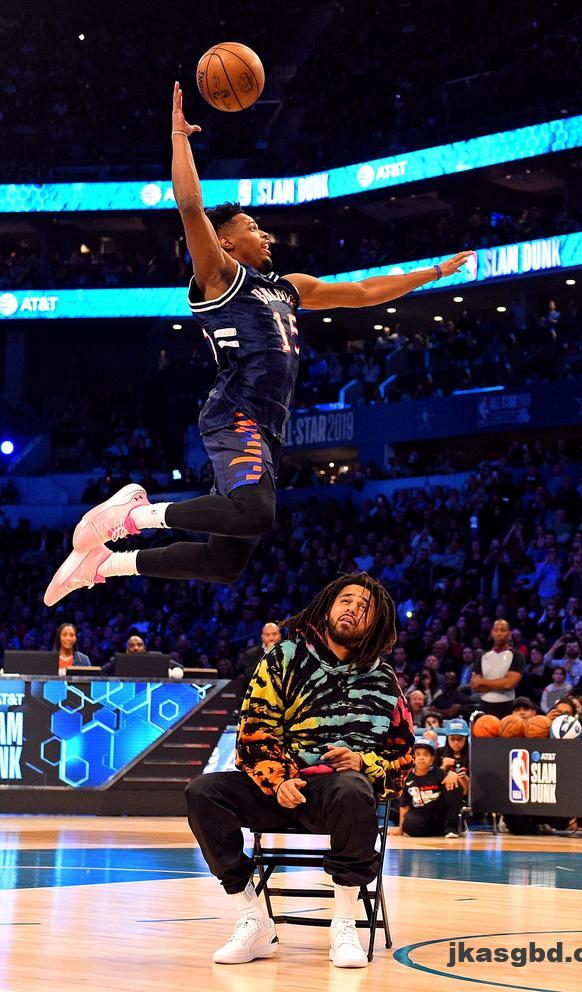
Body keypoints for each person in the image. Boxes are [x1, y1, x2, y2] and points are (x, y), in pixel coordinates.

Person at [43, 83, 473, 608]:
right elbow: (190, 206)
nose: (264, 234)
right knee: (257, 512)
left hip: (267, 426)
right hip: (236, 412)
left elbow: (363, 292)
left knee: (224, 563)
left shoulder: (289, 287)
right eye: (252, 227)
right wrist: (179, 138)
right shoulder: (221, 275)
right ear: (225, 240)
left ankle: (104, 564)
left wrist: (434, 272)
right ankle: (130, 517)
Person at [185, 573, 414, 968]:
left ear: (375, 624)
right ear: (327, 607)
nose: (352, 609)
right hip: (280, 789)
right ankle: (253, 918)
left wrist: (364, 762)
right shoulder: (283, 658)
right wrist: (279, 780)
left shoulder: (384, 682)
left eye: (364, 608)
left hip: (339, 799)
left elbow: (404, 758)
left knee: (352, 788)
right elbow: (254, 731)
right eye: (346, 600)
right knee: (203, 792)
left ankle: (344, 925)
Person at [470, 620, 524, 718]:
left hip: (507, 708)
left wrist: (482, 681)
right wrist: (501, 684)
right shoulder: (482, 656)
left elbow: (508, 684)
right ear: (492, 633)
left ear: (509, 634)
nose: (499, 633)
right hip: (484, 706)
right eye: (496, 630)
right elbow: (475, 685)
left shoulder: (517, 656)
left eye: (503, 630)